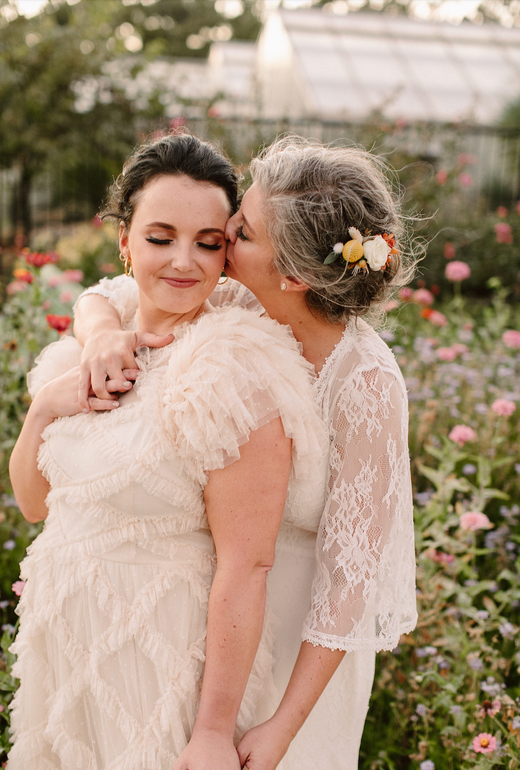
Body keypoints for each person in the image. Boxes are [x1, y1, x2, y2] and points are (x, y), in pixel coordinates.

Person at [74, 135, 418, 770]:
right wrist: (100, 336)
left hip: (301, 647)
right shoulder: (238, 298)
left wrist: (284, 727)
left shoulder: (364, 382)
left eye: (243, 231)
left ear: (291, 273)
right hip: (214, 619)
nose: (222, 236)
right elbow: (106, 292)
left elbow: (350, 582)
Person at [7, 133, 329, 770]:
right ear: (124, 241)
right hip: (66, 650)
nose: (184, 261)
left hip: (161, 660)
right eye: (160, 237)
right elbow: (35, 507)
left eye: (208, 243)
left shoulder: (232, 370)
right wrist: (44, 407)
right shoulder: (88, 350)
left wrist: (211, 732)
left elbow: (248, 565)